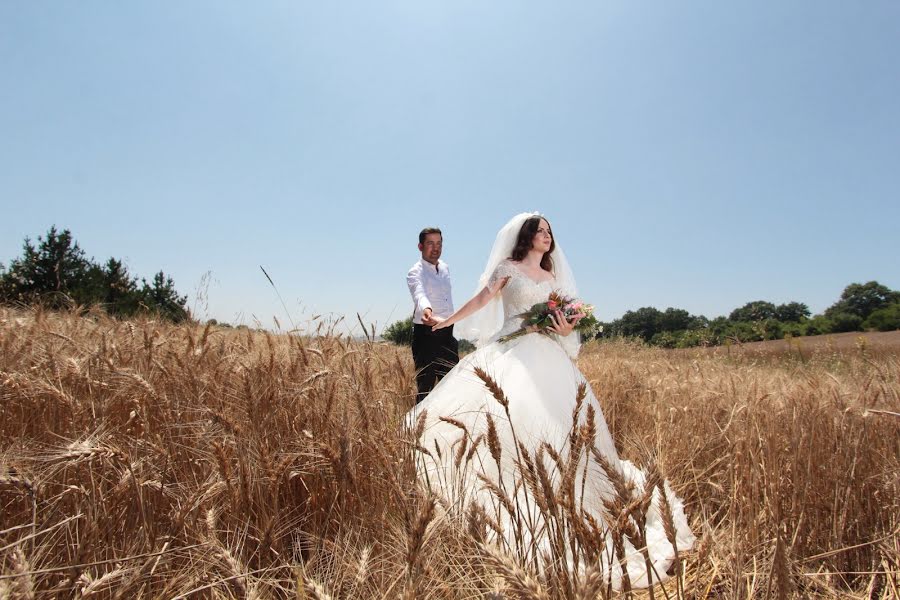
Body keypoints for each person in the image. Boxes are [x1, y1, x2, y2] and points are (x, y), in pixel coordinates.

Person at [408, 213, 695, 590]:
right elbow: (482, 299)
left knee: (560, 428)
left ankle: (577, 502)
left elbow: (572, 313)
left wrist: (565, 324)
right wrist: (448, 322)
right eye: (540, 232)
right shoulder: (507, 268)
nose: (547, 237)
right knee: (510, 423)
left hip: (549, 356)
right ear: (525, 237)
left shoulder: (552, 276)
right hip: (510, 352)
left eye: (549, 232)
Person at [406, 227, 459, 404]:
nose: (435, 248)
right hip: (426, 334)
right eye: (430, 243)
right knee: (425, 389)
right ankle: (419, 429)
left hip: (447, 333)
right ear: (420, 246)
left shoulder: (445, 268)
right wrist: (427, 310)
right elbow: (419, 293)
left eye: (439, 243)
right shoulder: (415, 271)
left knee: (453, 385)